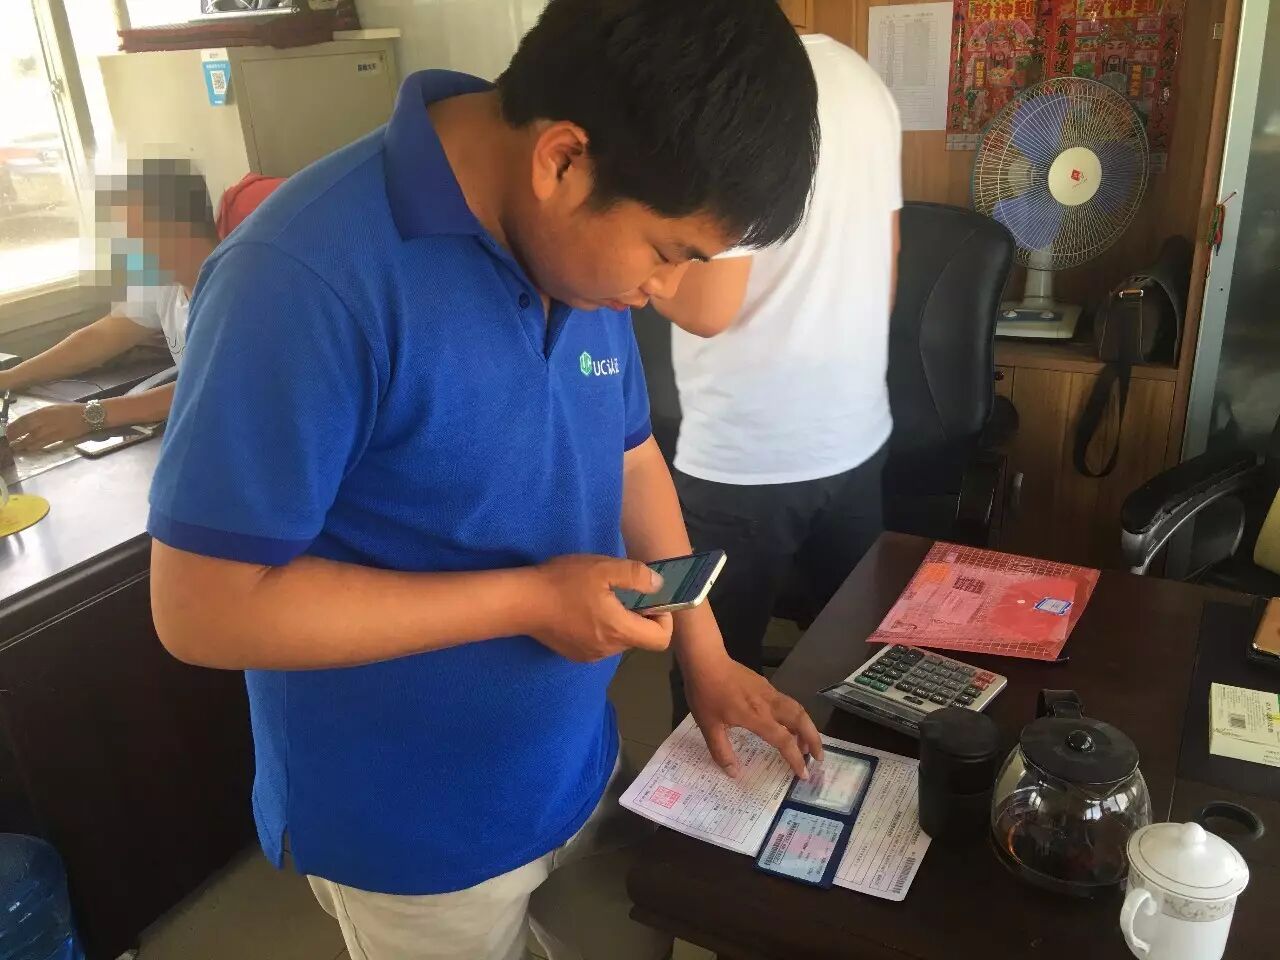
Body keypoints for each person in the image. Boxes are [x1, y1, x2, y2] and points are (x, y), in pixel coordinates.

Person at [145, 2, 823, 959]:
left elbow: (629, 456)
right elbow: (202, 608)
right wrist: (529, 601)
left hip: (574, 764)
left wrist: (703, 653)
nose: (667, 291)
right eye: (670, 253)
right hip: (412, 827)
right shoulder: (299, 276)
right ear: (562, 160)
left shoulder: (579, 251)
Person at [652, 32, 903, 722]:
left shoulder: (726, 91)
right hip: (853, 433)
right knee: (858, 665)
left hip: (746, 452)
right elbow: (886, 273)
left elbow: (708, 309)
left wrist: (630, 269)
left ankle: (714, 798)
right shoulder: (861, 78)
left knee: (715, 675)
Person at [0, 161, 216, 450]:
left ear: (180, 227)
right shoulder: (165, 280)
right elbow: (101, 336)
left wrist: (89, 415)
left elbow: (213, 384)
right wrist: (9, 378)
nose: (123, 250)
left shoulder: (237, 291)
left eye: (133, 235)